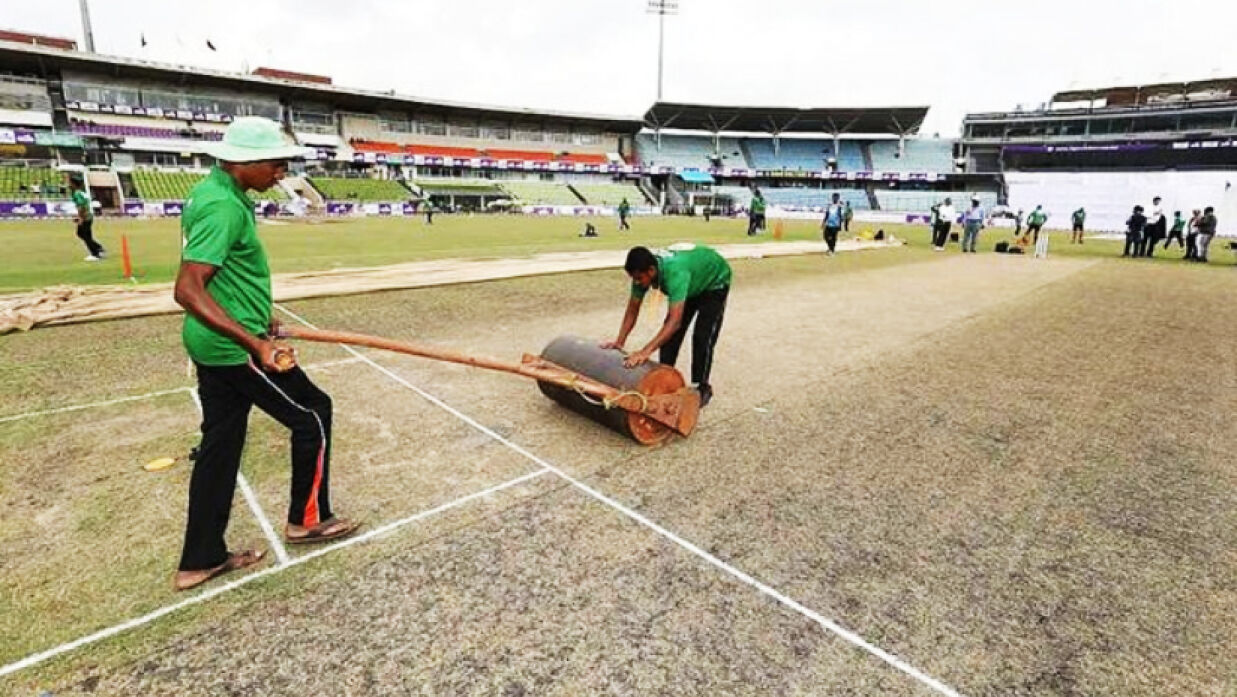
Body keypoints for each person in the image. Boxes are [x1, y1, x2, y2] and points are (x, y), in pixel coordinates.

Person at [172, 117, 359, 592]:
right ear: (243, 161)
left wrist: (262, 313)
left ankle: (201, 558)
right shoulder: (223, 208)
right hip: (235, 349)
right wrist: (256, 341)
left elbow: (225, 276)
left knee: (220, 446)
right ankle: (307, 520)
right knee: (313, 413)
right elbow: (189, 289)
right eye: (276, 163)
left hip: (217, 342)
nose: (281, 171)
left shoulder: (219, 193)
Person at [602, 244, 731, 408]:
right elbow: (632, 310)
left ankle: (703, 386)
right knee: (670, 337)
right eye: (634, 278)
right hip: (692, 282)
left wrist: (645, 351)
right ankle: (665, 378)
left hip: (715, 281)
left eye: (639, 278)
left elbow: (675, 322)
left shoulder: (675, 273)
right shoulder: (641, 275)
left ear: (651, 271)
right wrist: (619, 341)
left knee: (702, 336)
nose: (637, 283)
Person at [69, 176, 105, 261]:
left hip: (86, 217)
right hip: (89, 216)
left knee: (83, 234)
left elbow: (81, 206)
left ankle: (95, 254)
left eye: (70, 183)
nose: (69, 185)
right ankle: (97, 248)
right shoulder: (82, 192)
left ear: (74, 184)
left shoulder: (77, 194)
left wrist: (81, 218)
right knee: (84, 234)